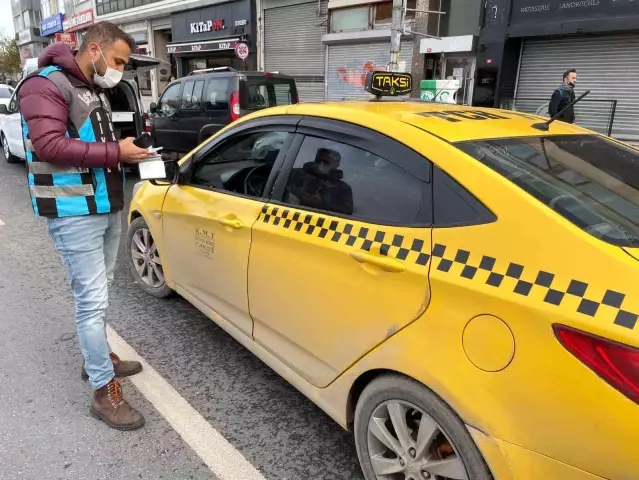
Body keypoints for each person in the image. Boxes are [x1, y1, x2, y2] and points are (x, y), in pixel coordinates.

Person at [18, 22, 152, 431]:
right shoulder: (43, 85)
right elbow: (49, 145)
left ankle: (96, 357)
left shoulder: (92, 87)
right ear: (94, 49)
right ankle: (102, 390)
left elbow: (92, 142)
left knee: (103, 287)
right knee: (90, 300)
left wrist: (132, 153)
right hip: (74, 211)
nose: (120, 71)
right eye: (117, 61)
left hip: (105, 203)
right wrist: (117, 152)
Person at [287, 147, 354, 215]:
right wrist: (299, 194)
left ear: (337, 165)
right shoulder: (295, 173)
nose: (321, 164)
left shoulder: (342, 188)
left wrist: (321, 203)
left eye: (326, 162)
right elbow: (279, 187)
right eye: (318, 160)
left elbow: (347, 212)